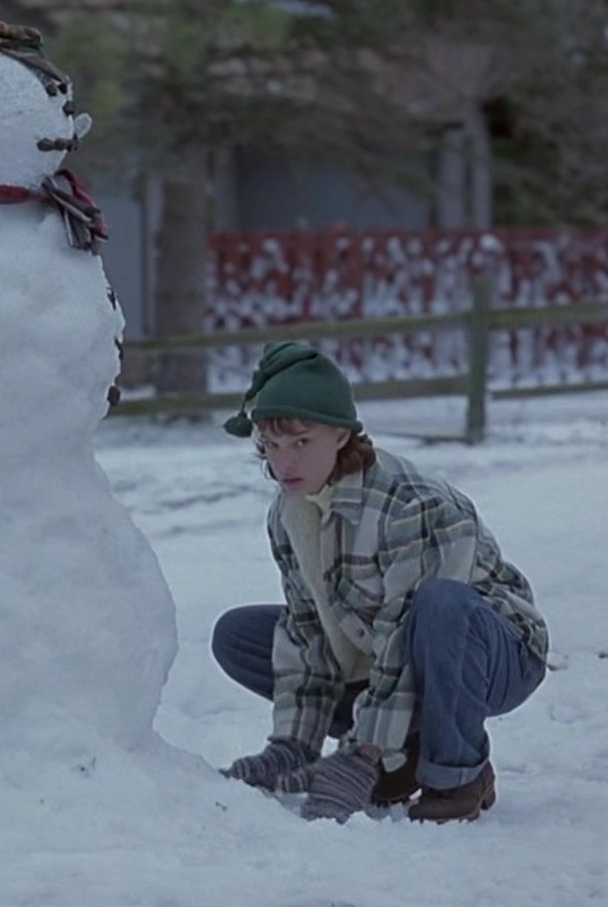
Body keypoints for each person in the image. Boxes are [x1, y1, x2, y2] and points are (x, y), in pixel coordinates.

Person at [211, 341, 549, 823]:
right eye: (271, 445)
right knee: (239, 635)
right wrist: (293, 745)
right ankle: (406, 753)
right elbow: (307, 632)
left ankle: (458, 774)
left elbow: (400, 638)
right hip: (383, 642)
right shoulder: (289, 512)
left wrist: (360, 756)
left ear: (342, 435)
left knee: (439, 607)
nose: (283, 464)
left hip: (493, 651)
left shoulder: (410, 504)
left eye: (301, 443)